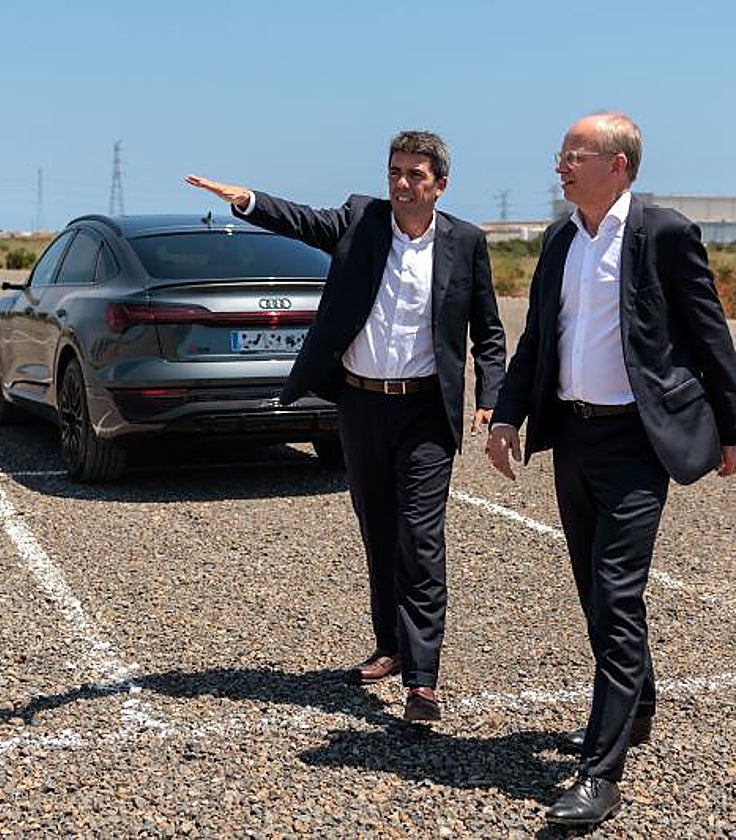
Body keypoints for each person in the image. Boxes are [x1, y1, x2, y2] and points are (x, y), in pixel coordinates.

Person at [186, 130, 507, 722]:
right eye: (395, 172)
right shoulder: (362, 219)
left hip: (425, 414)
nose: (402, 184)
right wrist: (246, 200)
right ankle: (389, 644)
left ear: (440, 183)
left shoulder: (466, 242)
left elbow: (488, 330)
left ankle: (423, 678)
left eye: (415, 175)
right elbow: (303, 221)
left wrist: (492, 397)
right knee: (379, 530)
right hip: (360, 406)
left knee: (421, 537)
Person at [486, 112, 736, 828]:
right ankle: (637, 710)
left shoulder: (662, 233)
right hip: (575, 436)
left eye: (574, 154)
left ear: (617, 165)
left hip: (637, 443)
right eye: (561, 154)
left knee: (616, 594)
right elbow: (538, 335)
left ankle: (600, 773)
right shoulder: (562, 236)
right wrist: (507, 416)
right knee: (595, 591)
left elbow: (709, 338)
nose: (559, 165)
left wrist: (733, 430)